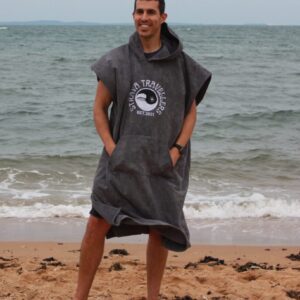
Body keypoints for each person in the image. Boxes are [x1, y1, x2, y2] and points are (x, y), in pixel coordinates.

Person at [73, 0, 211, 299]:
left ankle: (153, 296)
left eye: (150, 12)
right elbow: (99, 108)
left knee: (159, 228)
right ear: (133, 16)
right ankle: (79, 296)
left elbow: (190, 111)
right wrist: (112, 148)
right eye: (139, 12)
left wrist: (176, 150)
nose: (144, 18)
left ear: (163, 17)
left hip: (163, 164)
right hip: (121, 163)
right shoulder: (116, 61)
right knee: (97, 222)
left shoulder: (183, 65)